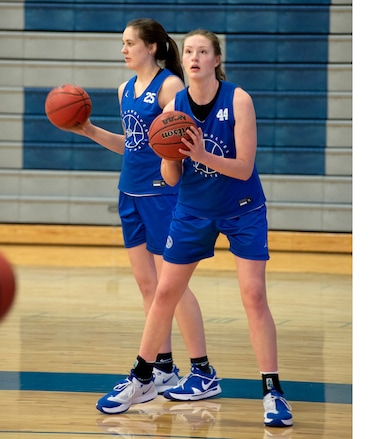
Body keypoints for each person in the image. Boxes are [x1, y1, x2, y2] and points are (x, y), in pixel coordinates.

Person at [95, 29, 294, 428]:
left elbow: (243, 168)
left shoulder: (238, 99)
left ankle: (272, 391)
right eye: (189, 51)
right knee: (165, 291)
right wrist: (167, 156)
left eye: (203, 51)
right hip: (193, 209)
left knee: (253, 295)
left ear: (216, 59)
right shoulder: (175, 109)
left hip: (242, 208)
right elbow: (171, 178)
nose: (195, 57)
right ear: (182, 59)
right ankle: (141, 376)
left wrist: (202, 154)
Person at [62, 18, 222, 403]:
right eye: (123, 43)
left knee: (173, 286)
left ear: (151, 47)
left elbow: (177, 140)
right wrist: (89, 131)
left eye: (130, 42)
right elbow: (134, 145)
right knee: (148, 286)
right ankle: (164, 368)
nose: (124, 49)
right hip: (129, 194)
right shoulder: (123, 90)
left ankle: (203, 370)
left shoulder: (170, 86)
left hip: (162, 195)